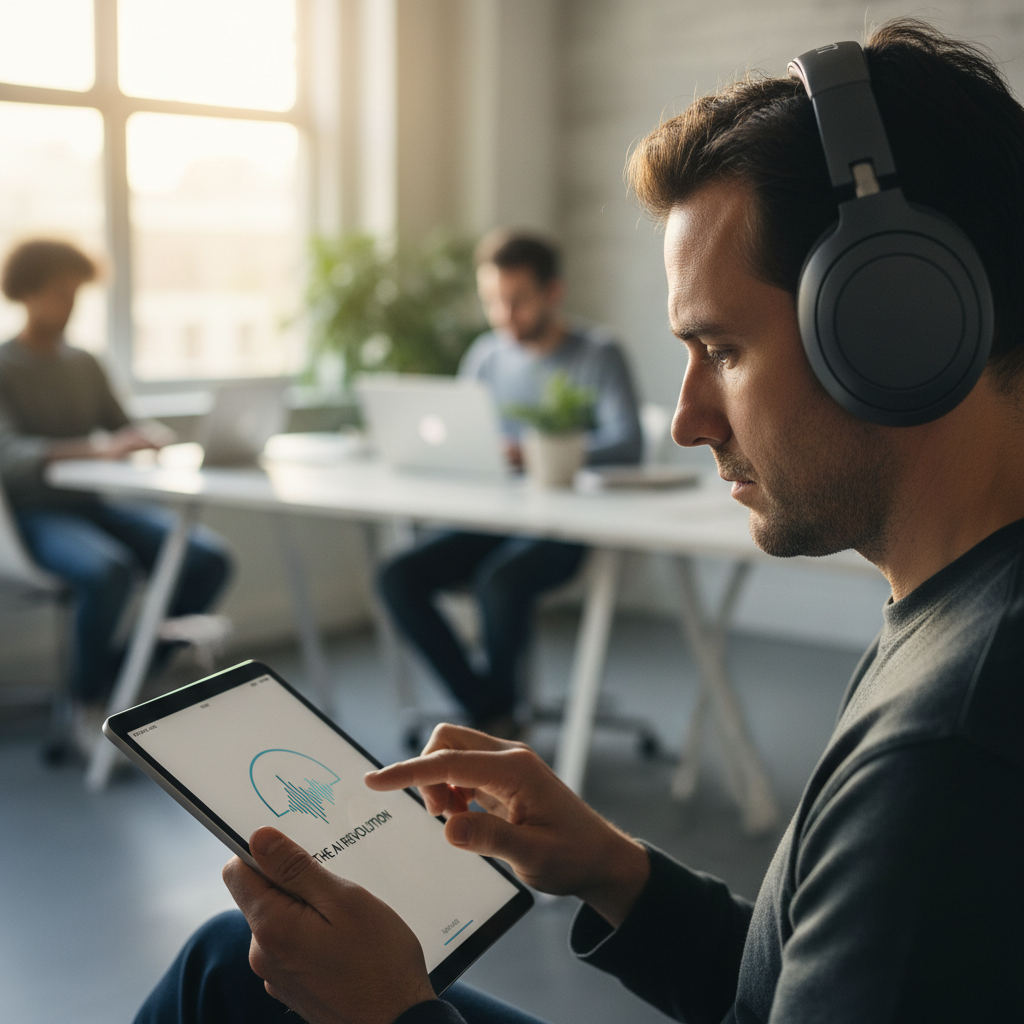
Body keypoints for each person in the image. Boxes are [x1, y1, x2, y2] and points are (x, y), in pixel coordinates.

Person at [135, 18, 1022, 1024]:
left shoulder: (949, 753)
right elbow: (809, 984)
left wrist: (391, 1012)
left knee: (232, 977)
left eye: (720, 349)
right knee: (227, 961)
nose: (686, 420)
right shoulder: (957, 609)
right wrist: (615, 869)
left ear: (896, 323)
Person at [378, 231, 642, 736]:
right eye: (493, 302)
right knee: (398, 577)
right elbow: (458, 436)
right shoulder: (486, 357)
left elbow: (627, 443)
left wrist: (539, 451)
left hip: (566, 529)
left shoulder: (599, 354)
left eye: (517, 301)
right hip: (491, 520)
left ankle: (495, 723)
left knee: (500, 582)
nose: (504, 316)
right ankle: (491, 712)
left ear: (554, 293)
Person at [0, 239, 232, 755]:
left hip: (93, 506)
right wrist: (103, 448)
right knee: (108, 572)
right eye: (59, 294)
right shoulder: (4, 366)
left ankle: (121, 678)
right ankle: (88, 702)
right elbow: (10, 456)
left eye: (75, 294)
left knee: (207, 559)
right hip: (32, 517)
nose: (69, 306)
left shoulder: (84, 362)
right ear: (27, 293)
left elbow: (121, 425)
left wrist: (147, 436)